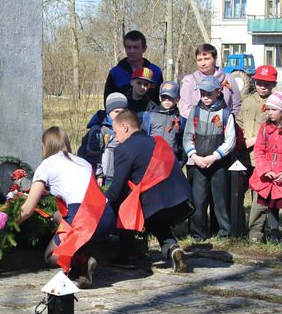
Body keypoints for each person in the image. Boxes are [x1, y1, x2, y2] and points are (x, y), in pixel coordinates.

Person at [20, 126, 116, 288]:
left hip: (83, 219)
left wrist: (9, 224)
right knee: (57, 216)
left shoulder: (46, 165)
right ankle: (80, 254)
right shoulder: (83, 162)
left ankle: (82, 261)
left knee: (50, 256)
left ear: (46, 146)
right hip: (107, 216)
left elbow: (28, 209)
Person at [105, 110, 192, 272]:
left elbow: (116, 191)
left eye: (116, 132)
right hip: (181, 199)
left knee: (123, 204)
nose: (116, 138)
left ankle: (127, 256)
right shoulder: (156, 141)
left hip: (156, 202)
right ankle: (172, 248)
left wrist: (99, 201)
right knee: (152, 214)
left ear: (125, 127)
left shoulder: (124, 149)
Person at [183, 75, 237, 240]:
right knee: (198, 200)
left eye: (209, 94)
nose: (205, 97)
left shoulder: (226, 114)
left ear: (218, 92)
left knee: (220, 200)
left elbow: (230, 140)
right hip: (199, 162)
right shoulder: (195, 111)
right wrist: (195, 156)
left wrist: (214, 156)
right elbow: (187, 136)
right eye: (202, 93)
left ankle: (224, 232)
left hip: (219, 164)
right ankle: (197, 233)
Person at [248, 92, 282, 245]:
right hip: (269, 176)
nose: (269, 112)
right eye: (268, 109)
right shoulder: (264, 128)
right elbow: (259, 150)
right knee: (272, 207)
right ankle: (274, 233)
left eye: (273, 109)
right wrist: (265, 170)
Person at [241, 65, 278, 242]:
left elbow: (278, 129)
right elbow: (239, 122)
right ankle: (238, 227)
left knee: (260, 198)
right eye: (259, 82)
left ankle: (257, 233)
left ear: (274, 84)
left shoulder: (276, 103)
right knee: (239, 194)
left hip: (263, 159)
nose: (262, 86)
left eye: (267, 84)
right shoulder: (247, 101)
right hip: (244, 156)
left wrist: (255, 139)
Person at [179, 43, 242, 121]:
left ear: (215, 59)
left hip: (223, 126)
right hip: (197, 126)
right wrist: (204, 121)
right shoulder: (190, 80)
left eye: (207, 59)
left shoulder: (229, 79)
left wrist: (228, 121)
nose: (203, 63)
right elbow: (184, 107)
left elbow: (237, 105)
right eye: (199, 60)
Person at [103, 30, 164, 106]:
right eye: (129, 47)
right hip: (123, 116)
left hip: (150, 116)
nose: (132, 51)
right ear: (125, 48)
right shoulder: (116, 73)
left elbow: (161, 101)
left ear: (144, 49)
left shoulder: (155, 71)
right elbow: (108, 102)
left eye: (136, 47)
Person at [78, 92, 127, 186]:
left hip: (117, 175)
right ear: (108, 111)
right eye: (116, 112)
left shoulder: (125, 127)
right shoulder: (100, 130)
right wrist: (98, 175)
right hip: (103, 177)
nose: (120, 115)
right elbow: (92, 155)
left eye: (123, 112)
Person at [141, 80, 186, 161]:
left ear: (178, 99)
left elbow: (183, 144)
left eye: (171, 97)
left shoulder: (181, 120)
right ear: (159, 98)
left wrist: (180, 163)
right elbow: (142, 138)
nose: (167, 100)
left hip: (171, 162)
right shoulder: (149, 115)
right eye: (164, 97)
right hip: (151, 160)